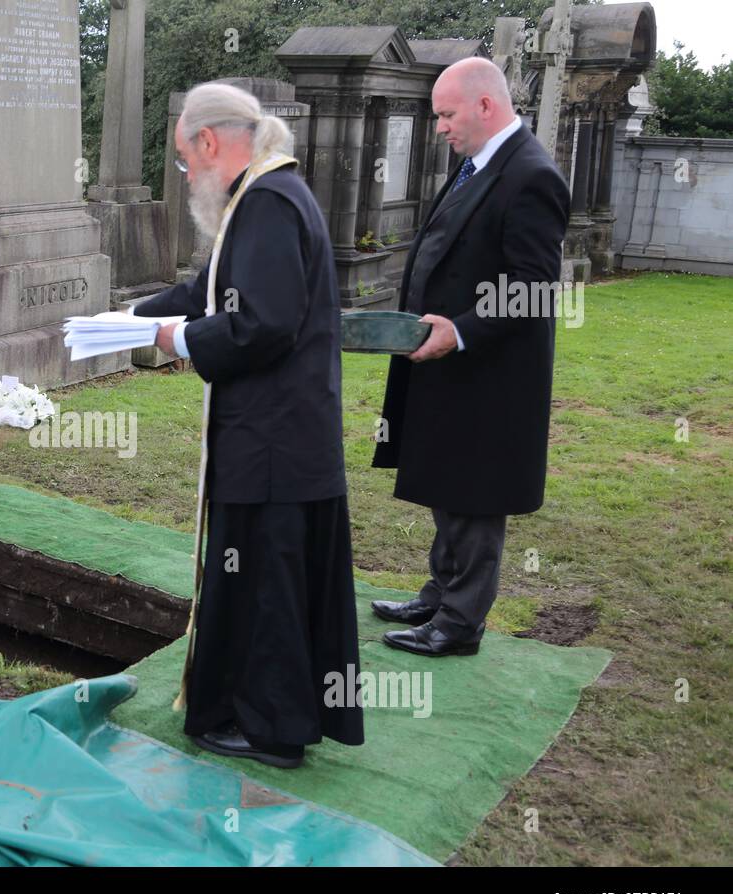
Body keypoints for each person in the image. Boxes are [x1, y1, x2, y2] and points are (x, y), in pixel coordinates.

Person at [134, 82, 363, 769]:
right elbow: (209, 291)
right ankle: (255, 711)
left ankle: (270, 726)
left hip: (272, 442)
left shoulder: (265, 202)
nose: (186, 180)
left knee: (269, 587)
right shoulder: (265, 197)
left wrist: (180, 342)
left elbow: (261, 325)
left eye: (183, 164)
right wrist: (126, 318)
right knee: (263, 577)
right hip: (281, 438)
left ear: (209, 142)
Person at [371, 57, 570, 657]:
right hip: (444, 362)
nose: (440, 127)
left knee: (475, 492)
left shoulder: (531, 175)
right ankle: (440, 591)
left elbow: (533, 287)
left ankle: (461, 623)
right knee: (444, 477)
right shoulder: (477, 164)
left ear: (485, 106)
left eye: (446, 114)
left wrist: (457, 332)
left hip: (488, 371)